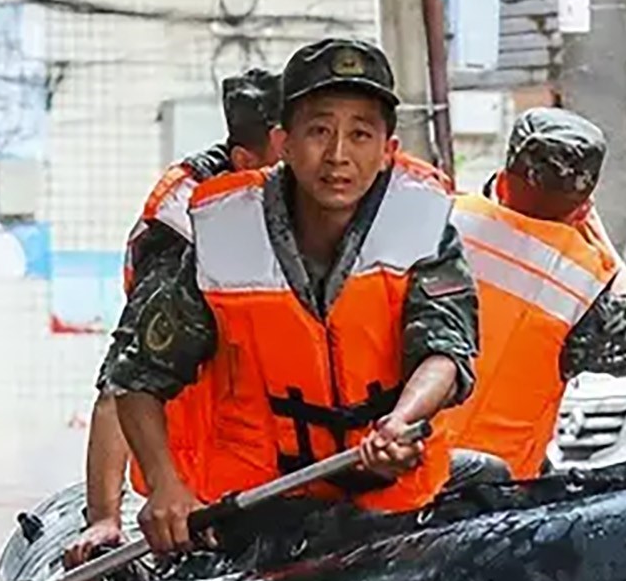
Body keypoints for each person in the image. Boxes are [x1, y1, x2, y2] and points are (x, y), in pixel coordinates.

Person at [102, 38, 480, 553]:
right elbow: (135, 375)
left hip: (393, 506)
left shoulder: (424, 227)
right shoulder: (224, 233)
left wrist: (402, 420)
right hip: (257, 512)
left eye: (361, 134)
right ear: (284, 141)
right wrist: (165, 483)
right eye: (319, 131)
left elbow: (446, 353)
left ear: (389, 149)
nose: (338, 155)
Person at [64, 68, 286, 568]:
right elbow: (121, 382)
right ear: (247, 161)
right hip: (194, 482)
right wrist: (104, 519)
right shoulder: (184, 235)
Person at [439, 108, 626, 480]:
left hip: (399, 470)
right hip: (495, 497)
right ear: (582, 207)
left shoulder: (440, 219)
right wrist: (597, 236)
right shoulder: (584, 279)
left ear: (504, 180)